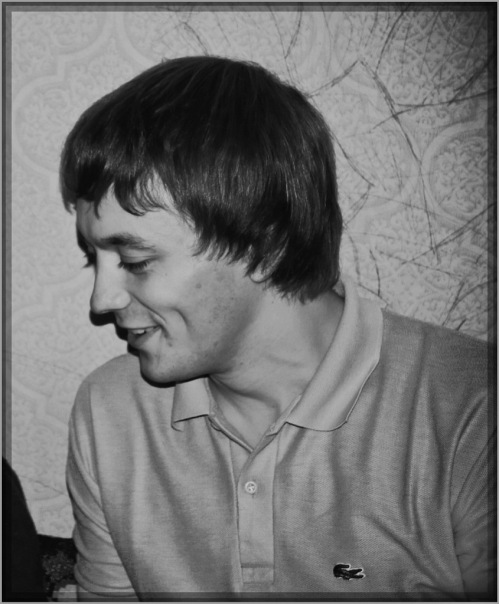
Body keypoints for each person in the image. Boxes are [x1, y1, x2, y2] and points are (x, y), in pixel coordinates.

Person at [59, 56, 495, 601]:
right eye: (94, 258)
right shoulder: (109, 413)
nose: (102, 301)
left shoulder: (471, 410)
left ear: (266, 245)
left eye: (136, 260)